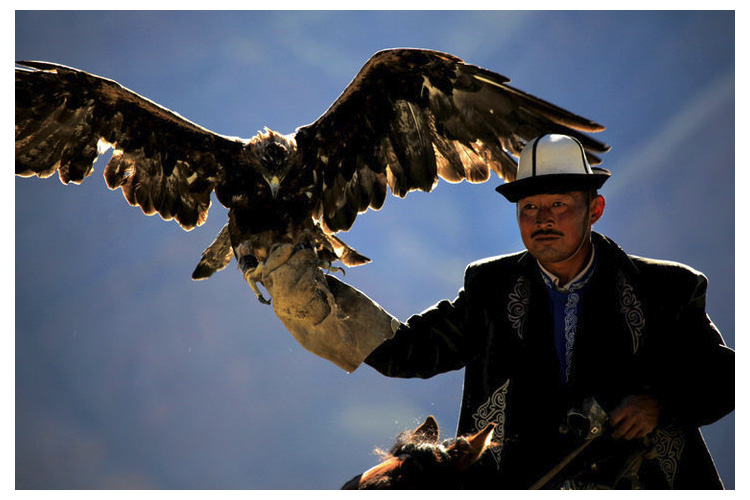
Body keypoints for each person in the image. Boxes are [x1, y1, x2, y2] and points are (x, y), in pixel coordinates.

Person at [364, 134, 734, 489]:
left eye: (558, 204)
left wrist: (659, 404)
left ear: (595, 209)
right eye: (529, 208)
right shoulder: (490, 287)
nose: (542, 219)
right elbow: (409, 349)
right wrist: (312, 300)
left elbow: (725, 378)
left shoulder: (665, 288)